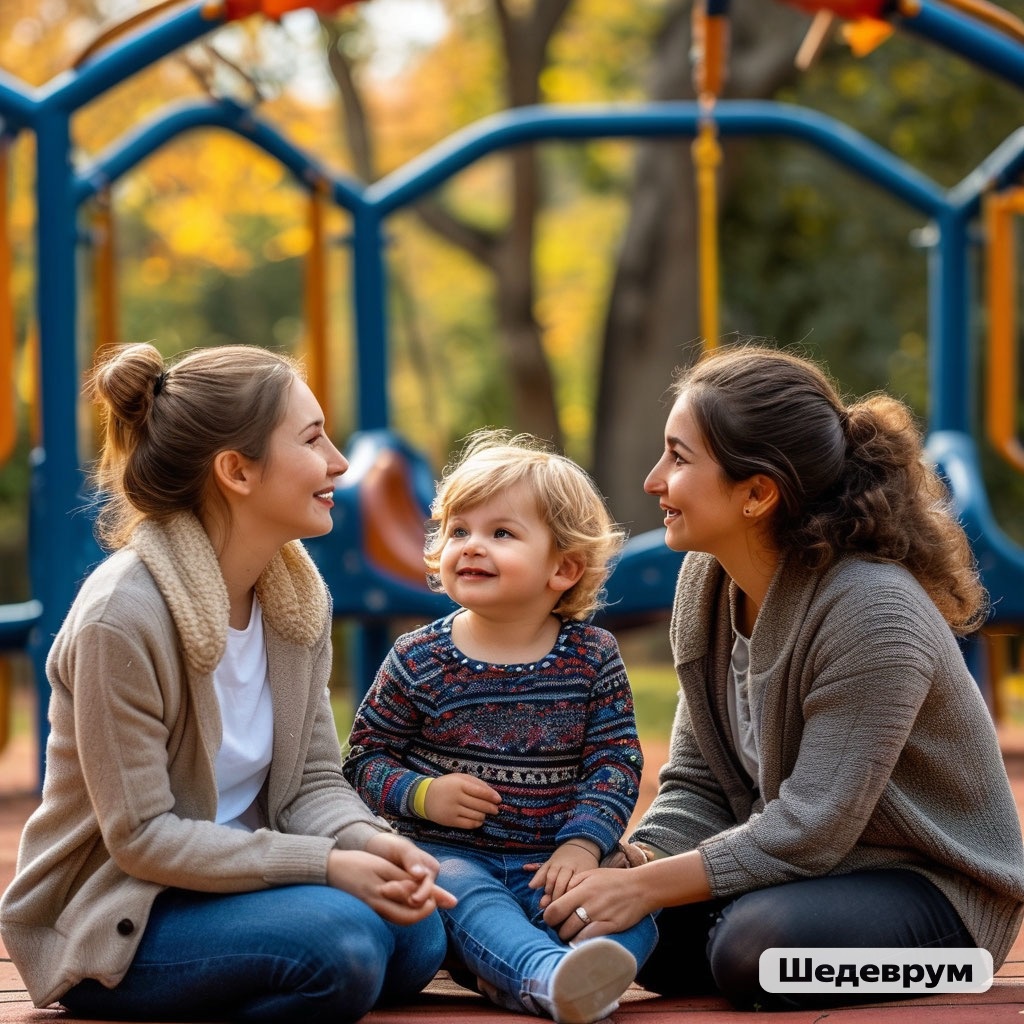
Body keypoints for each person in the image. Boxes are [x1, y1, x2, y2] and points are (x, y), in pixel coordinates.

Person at [544, 343, 1024, 1011]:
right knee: (596, 914)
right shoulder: (706, 582)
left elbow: (813, 826)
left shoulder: (873, 611)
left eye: (678, 458)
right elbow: (696, 783)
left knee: (753, 951)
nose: (655, 480)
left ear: (758, 493)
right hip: (797, 871)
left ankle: (932, 967)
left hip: (934, 892)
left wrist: (646, 891)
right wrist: (635, 863)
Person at [0, 342, 455, 1023]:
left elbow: (310, 784)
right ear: (237, 471)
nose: (338, 462)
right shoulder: (121, 619)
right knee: (344, 948)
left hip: (231, 886)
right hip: (121, 910)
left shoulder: (294, 596)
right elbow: (144, 838)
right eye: (312, 439)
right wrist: (325, 866)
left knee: (417, 937)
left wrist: (368, 841)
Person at [343, 428, 658, 1024]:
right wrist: (423, 794)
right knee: (467, 897)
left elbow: (615, 764)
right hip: (456, 856)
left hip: (558, 857)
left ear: (563, 567)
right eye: (458, 530)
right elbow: (362, 761)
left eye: (501, 533)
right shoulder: (418, 658)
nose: (471, 546)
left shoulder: (593, 655)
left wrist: (583, 844)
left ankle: (583, 968)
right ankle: (546, 974)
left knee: (628, 907)